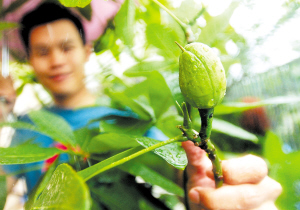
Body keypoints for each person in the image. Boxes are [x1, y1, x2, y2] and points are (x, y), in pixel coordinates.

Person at [2, 2, 282, 209]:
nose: (56, 60)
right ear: (29, 61)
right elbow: (12, 190)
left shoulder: (128, 119)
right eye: (42, 51)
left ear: (87, 52)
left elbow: (179, 174)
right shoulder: (27, 124)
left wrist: (203, 189)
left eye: (66, 47)